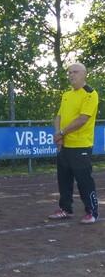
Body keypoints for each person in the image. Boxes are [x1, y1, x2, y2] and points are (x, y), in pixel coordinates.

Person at [48, 62, 99, 224]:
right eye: (69, 72)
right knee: (64, 180)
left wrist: (62, 133)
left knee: (84, 181)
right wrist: (58, 134)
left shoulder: (90, 94)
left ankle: (92, 212)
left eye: (75, 72)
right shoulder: (66, 95)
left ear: (84, 74)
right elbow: (59, 116)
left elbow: (82, 119)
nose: (71, 75)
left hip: (81, 146)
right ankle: (65, 209)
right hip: (65, 145)